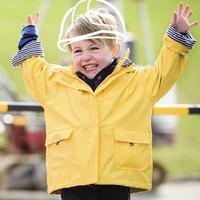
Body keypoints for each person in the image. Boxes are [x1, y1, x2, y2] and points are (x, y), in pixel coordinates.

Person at [11, 1, 198, 200]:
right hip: (73, 178)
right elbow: (34, 70)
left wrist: (176, 37)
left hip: (117, 177)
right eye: (78, 51)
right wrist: (29, 37)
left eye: (94, 48)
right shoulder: (56, 83)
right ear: (70, 53)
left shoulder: (136, 81)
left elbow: (164, 73)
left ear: (115, 49)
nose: (86, 57)